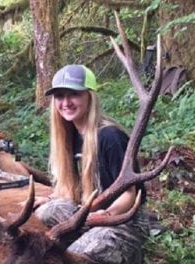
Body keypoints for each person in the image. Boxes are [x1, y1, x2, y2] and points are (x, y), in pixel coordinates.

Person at [34, 65, 149, 263]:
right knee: (48, 211)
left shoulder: (110, 137)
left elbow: (129, 194)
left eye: (74, 94)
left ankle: (129, 252)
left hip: (123, 219)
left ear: (90, 96)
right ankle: (90, 237)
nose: (66, 102)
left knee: (72, 257)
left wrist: (107, 214)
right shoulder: (69, 136)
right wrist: (51, 198)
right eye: (60, 96)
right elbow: (75, 187)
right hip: (92, 213)